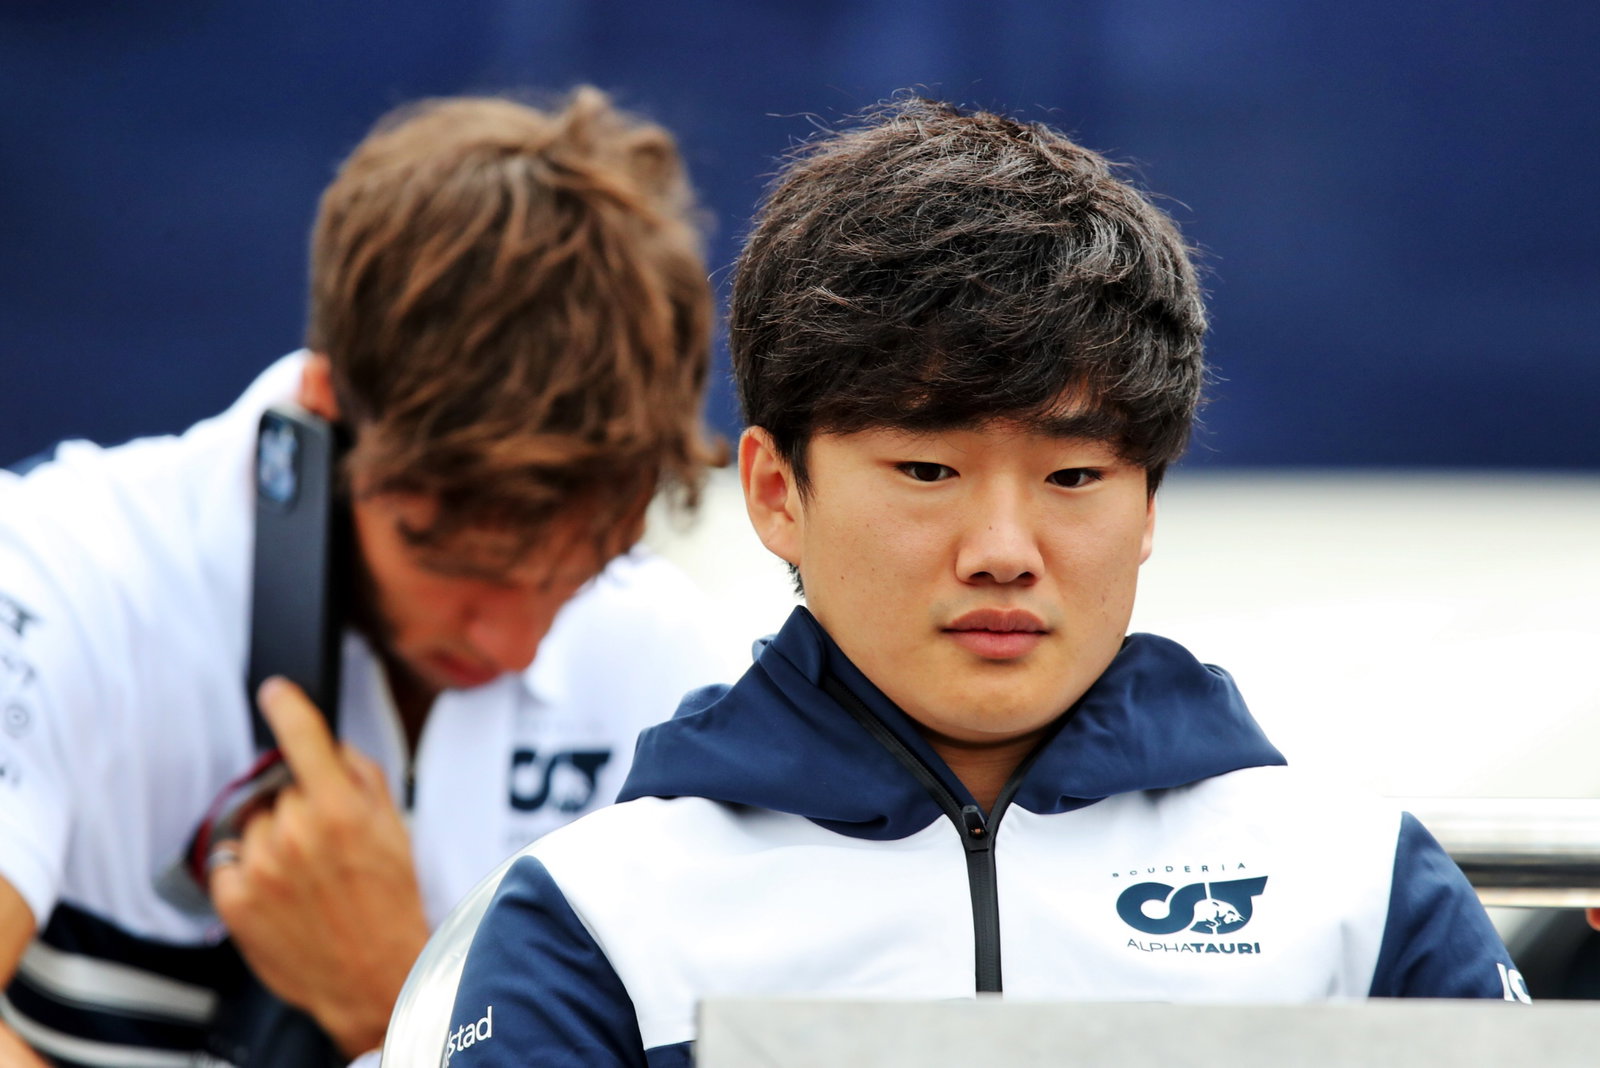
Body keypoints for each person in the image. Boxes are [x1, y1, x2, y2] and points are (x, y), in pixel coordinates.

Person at [436, 96, 1530, 1066]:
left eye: (1070, 474)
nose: (1003, 547)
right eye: (927, 469)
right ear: (776, 491)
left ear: (1147, 505)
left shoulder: (1360, 887)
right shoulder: (597, 920)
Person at [0, 88, 746, 1066]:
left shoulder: (674, 679)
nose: (512, 641)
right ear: (327, 408)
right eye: (457, 561)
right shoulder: (55, 576)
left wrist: (400, 998)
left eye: (579, 570)